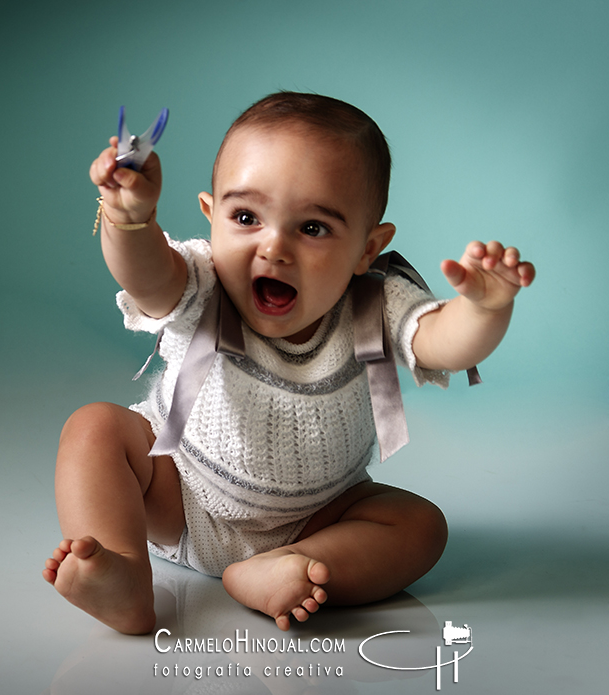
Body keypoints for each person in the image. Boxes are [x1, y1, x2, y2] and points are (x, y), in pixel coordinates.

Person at [42, 92, 535, 634]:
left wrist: (485, 308)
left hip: (318, 518)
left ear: (368, 249)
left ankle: (277, 570)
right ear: (211, 216)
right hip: (179, 493)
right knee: (95, 429)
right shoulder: (203, 284)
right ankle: (123, 575)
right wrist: (129, 220)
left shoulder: (373, 303)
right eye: (247, 217)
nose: (274, 247)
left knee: (420, 527)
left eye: (313, 228)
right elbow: (146, 277)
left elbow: (442, 341)